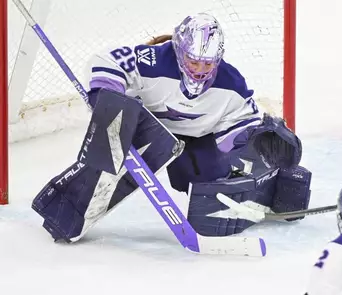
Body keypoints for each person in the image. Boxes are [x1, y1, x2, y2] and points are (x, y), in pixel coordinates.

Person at [32, 13, 310, 242]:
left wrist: (254, 137)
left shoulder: (231, 82)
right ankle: (65, 209)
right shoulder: (153, 61)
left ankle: (269, 186)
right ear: (179, 50)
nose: (200, 69)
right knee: (114, 144)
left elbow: (236, 125)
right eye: (194, 60)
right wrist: (106, 93)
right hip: (147, 131)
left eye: (208, 63)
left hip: (197, 142)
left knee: (213, 187)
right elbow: (108, 60)